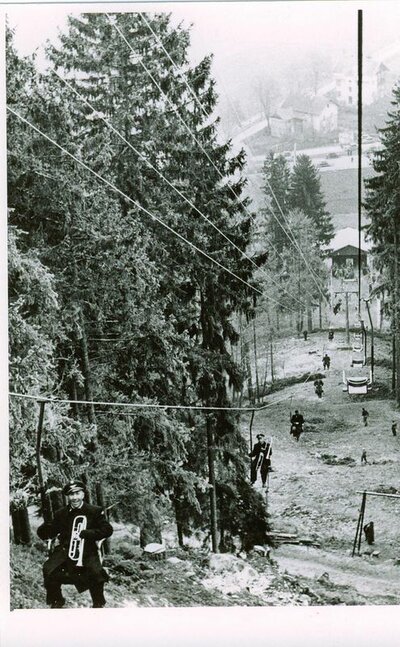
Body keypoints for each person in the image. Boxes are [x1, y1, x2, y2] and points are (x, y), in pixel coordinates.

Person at [37, 480, 113, 609]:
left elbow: (107, 530)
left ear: (83, 494)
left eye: (77, 493)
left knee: (96, 574)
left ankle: (98, 604)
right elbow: (50, 532)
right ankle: (57, 601)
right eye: (71, 494)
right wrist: (45, 527)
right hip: (65, 551)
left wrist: (87, 533)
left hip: (87, 552)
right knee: (48, 570)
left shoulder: (94, 511)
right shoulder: (61, 513)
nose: (75, 497)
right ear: (68, 496)